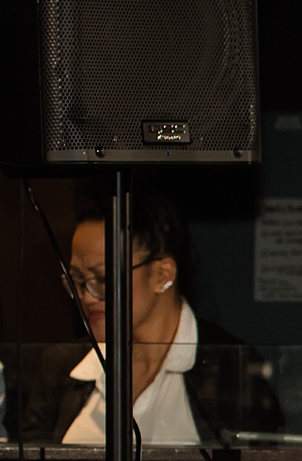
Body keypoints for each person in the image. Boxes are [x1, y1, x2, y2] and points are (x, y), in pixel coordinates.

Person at [55, 190, 281, 446]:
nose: (87, 296)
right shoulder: (59, 367)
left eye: (103, 279)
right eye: (77, 280)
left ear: (163, 275)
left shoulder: (232, 367)